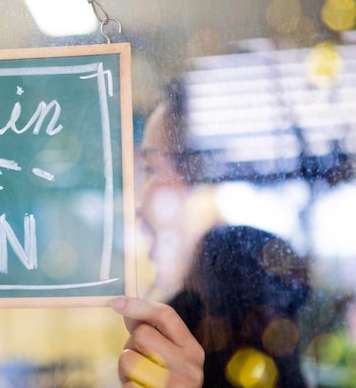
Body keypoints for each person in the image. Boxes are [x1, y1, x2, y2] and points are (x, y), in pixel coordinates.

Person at [110, 80, 310, 388]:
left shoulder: (236, 278)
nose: (137, 204)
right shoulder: (193, 301)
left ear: (195, 177)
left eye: (150, 170)